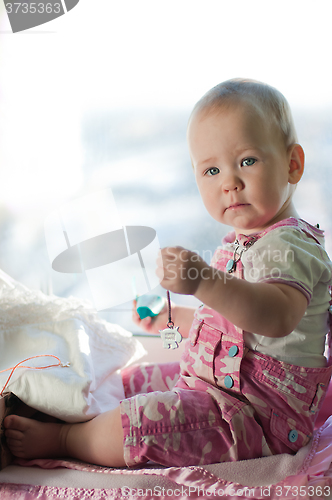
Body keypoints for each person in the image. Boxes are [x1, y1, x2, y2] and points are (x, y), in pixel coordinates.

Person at [4, 78, 332, 468]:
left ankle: (67, 437)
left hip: (255, 419)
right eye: (211, 170)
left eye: (247, 161)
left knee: (140, 425)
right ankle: (72, 412)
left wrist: (204, 281)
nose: (229, 182)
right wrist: (174, 317)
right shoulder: (246, 240)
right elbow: (238, 328)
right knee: (134, 381)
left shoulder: (288, 246)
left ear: (292, 164)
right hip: (216, 388)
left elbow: (276, 317)